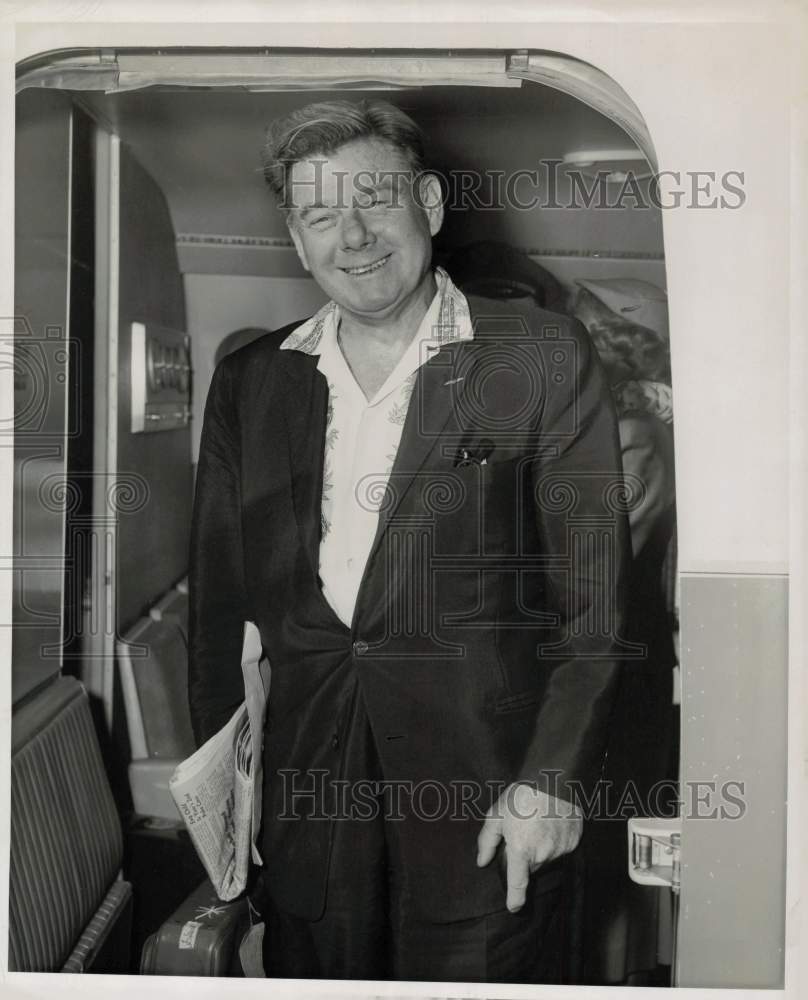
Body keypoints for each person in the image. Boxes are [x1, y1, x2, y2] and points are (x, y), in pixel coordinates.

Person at [188, 98, 630, 983]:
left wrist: (552, 779)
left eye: (373, 203)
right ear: (296, 235)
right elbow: (220, 613)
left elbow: (597, 611)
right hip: (310, 812)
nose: (351, 237)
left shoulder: (542, 355)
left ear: (427, 205)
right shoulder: (250, 380)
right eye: (320, 216)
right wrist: (231, 807)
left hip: (489, 805)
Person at [571, 277, 678, 984]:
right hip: (613, 652)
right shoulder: (611, 427)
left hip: (620, 664)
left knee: (603, 852)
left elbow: (593, 569)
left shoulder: (632, 439)